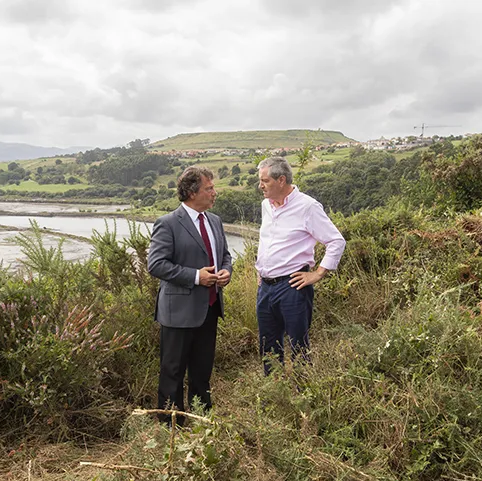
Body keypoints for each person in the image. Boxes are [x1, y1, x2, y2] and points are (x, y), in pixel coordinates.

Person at [147, 166, 232, 420]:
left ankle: (201, 422)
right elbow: (156, 265)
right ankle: (170, 426)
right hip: (178, 313)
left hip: (210, 308)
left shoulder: (214, 221)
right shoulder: (168, 223)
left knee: (202, 371)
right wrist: (197, 277)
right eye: (209, 188)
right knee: (172, 371)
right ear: (192, 192)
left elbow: (225, 255)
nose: (214, 193)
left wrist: (226, 271)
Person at [254, 156, 346, 375]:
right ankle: (274, 397)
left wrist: (318, 273)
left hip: (293, 287)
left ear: (281, 180)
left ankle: (305, 398)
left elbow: (336, 241)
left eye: (264, 181)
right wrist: (261, 271)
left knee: (299, 347)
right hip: (265, 288)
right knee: (268, 347)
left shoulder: (307, 206)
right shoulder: (266, 205)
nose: (260, 186)